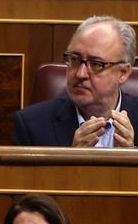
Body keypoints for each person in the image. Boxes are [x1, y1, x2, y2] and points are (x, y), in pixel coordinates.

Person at [14, 15, 137, 148]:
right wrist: (72, 159)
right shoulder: (31, 125)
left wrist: (132, 158)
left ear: (123, 73)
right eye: (75, 59)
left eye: (96, 64)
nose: (80, 74)